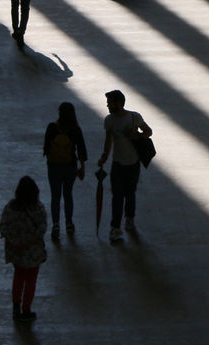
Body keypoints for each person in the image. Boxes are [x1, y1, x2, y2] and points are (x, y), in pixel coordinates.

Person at [96, 89, 152, 243]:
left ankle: (129, 218)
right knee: (117, 197)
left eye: (110, 103)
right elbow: (109, 141)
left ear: (118, 103)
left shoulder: (134, 117)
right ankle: (115, 227)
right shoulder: (109, 120)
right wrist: (104, 156)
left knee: (130, 194)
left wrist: (138, 135)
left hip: (133, 163)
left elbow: (149, 131)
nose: (107, 105)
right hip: (117, 164)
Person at [0, 176, 48, 322]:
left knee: (18, 276)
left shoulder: (10, 207)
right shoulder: (38, 209)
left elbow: (3, 227)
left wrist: (15, 243)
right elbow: (41, 229)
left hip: (15, 251)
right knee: (31, 280)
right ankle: (26, 309)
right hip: (33, 251)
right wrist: (28, 242)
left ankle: (16, 305)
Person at [42, 101, 88, 239]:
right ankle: (69, 223)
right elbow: (81, 150)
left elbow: (45, 148)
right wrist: (82, 168)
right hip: (70, 166)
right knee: (68, 195)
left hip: (54, 167)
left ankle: (56, 225)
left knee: (55, 197)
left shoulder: (52, 127)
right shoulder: (75, 129)